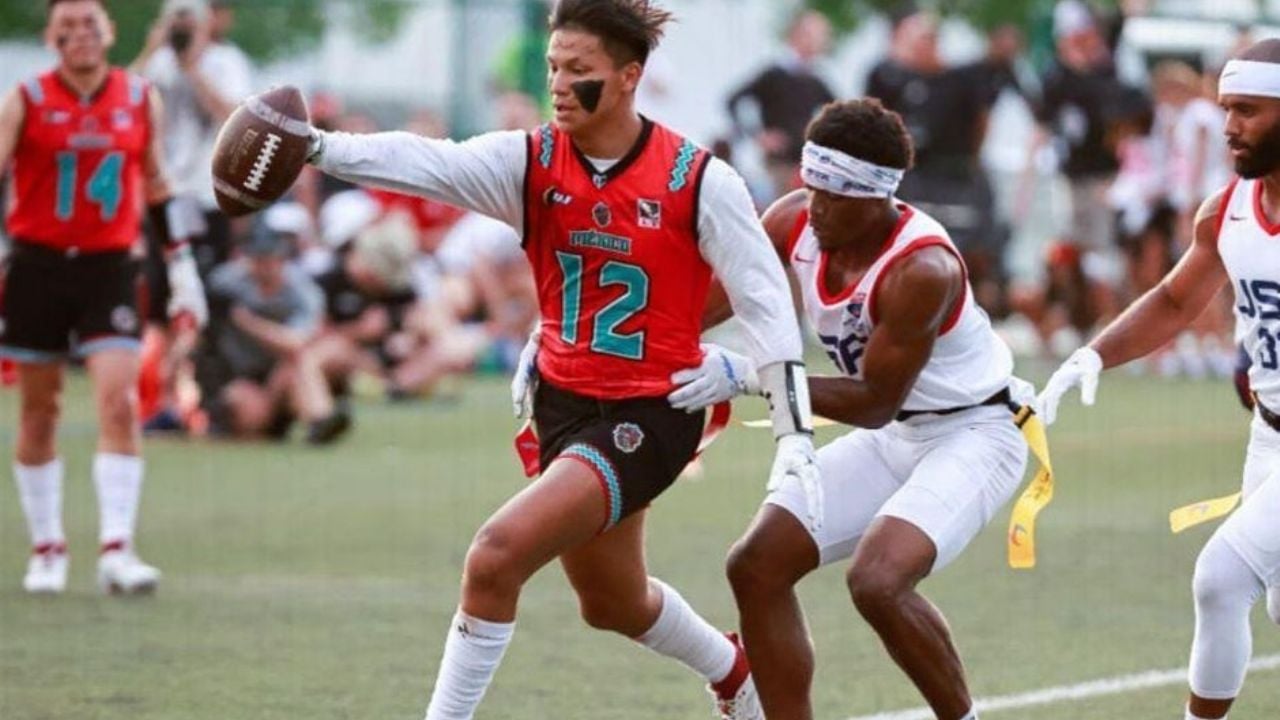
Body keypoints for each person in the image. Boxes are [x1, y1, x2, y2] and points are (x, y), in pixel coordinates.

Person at [300, 2, 819, 718]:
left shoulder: (699, 180)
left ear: (630, 76)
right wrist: (317, 147)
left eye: (580, 71)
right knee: (611, 602)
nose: (560, 85)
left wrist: (793, 436)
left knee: (494, 556)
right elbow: (427, 164)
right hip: (563, 402)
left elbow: (767, 308)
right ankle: (735, 673)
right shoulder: (530, 161)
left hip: (651, 410)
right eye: (553, 68)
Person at [673, 99, 1032, 720]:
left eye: (836, 196)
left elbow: (872, 401)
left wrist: (746, 376)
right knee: (756, 567)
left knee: (878, 582)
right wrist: (619, 350)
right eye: (812, 188)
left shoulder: (922, 268)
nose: (817, 209)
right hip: (900, 432)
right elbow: (703, 304)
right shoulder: (797, 220)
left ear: (878, 198)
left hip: (975, 432)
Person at [1037, 40, 1280, 720]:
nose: (1229, 125)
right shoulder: (1225, 208)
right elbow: (1175, 302)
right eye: (1228, 108)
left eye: (1250, 111)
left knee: (1220, 579)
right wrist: (1091, 356)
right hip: (1267, 434)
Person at [0, 0, 207, 594]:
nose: (79, 36)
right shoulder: (28, 99)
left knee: (118, 401)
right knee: (41, 410)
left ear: (110, 31)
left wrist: (183, 266)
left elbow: (159, 183)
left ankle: (117, 548)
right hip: (37, 265)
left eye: (90, 24)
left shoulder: (140, 98)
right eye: (66, 27)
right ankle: (47, 547)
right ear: (50, 38)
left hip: (110, 266)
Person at [131, 0, 253, 430]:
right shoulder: (160, 62)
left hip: (205, 197)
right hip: (165, 196)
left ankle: (196, 397)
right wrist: (154, 48)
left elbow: (231, 118)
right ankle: (158, 400)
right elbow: (122, 102)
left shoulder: (225, 62)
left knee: (203, 299)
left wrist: (192, 64)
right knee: (160, 303)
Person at [197, 222, 344, 444]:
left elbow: (296, 343)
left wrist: (247, 322)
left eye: (270, 258)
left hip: (279, 374)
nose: (264, 265)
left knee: (301, 360)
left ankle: (320, 419)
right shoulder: (225, 282)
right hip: (239, 375)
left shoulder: (301, 289)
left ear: (282, 258)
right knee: (247, 411)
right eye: (258, 258)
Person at [726, 9, 835, 200]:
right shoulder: (774, 74)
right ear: (796, 35)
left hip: (804, 164)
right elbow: (733, 100)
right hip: (778, 164)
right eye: (812, 35)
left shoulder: (815, 79)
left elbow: (840, 112)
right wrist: (757, 134)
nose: (817, 42)